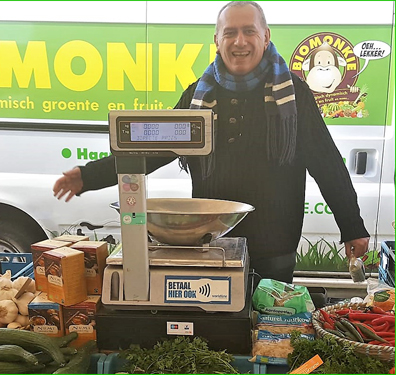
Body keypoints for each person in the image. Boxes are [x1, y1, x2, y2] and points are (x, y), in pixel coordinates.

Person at [53, 1, 369, 284]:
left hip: (275, 245)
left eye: (249, 31)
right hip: (210, 244)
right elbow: (155, 151)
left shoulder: (294, 94)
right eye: (230, 33)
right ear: (217, 40)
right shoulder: (198, 96)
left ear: (266, 36)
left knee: (270, 330)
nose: (240, 41)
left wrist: (352, 225)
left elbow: (327, 164)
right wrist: (88, 175)